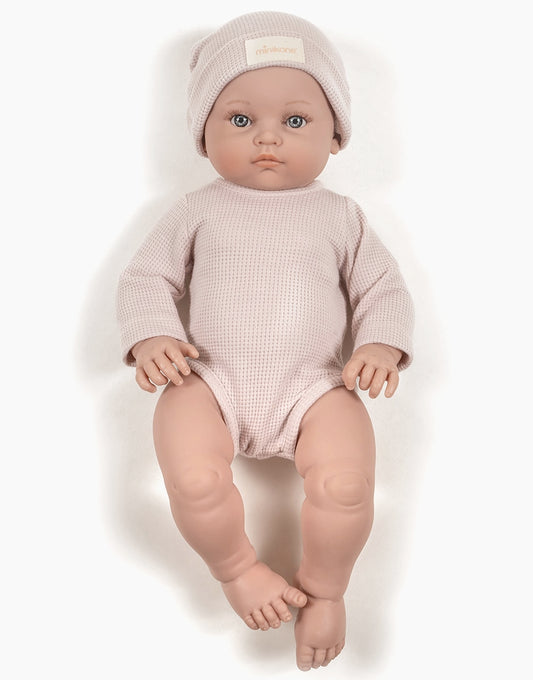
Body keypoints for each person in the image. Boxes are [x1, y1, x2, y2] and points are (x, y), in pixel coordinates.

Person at [117, 11, 414, 672]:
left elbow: (382, 288)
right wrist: (153, 335)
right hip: (207, 381)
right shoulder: (197, 209)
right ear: (203, 134)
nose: (268, 138)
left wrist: (379, 346)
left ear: (335, 134)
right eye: (240, 119)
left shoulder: (340, 215)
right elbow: (145, 278)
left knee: (346, 486)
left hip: (316, 385)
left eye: (296, 120)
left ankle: (326, 590)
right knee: (193, 479)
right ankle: (236, 570)